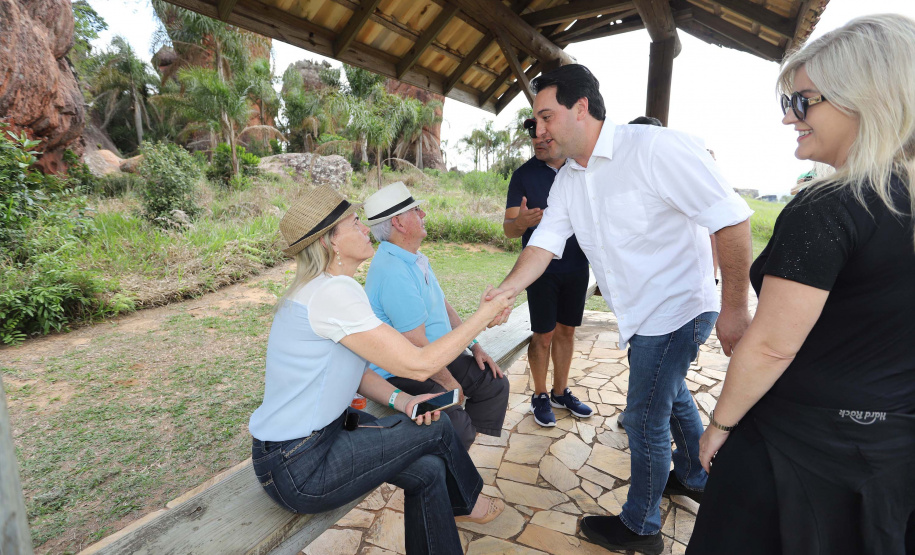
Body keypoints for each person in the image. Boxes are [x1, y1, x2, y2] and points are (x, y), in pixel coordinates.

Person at [487, 64, 754, 555]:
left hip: (676, 309)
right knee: (667, 397)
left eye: (546, 117)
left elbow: (731, 219)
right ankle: (695, 474)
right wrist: (504, 292)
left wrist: (735, 308)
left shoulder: (656, 148)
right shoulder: (569, 178)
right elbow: (544, 244)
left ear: (581, 108)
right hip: (639, 314)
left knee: (643, 418)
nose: (538, 131)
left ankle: (641, 525)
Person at [689, 14, 915, 554]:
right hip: (891, 454)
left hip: (794, 452)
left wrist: (720, 425)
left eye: (803, 101)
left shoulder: (831, 207)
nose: (791, 119)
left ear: (865, 99)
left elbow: (770, 346)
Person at [248, 186, 511, 555]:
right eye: (355, 222)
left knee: (431, 470)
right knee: (439, 427)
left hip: (306, 448)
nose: (367, 228)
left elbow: (353, 370)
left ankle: (457, 508)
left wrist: (402, 401)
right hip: (301, 465)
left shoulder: (324, 289)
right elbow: (418, 363)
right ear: (330, 242)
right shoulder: (332, 294)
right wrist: (483, 317)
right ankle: (468, 501)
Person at [363, 182, 510, 450]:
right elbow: (416, 344)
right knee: (455, 423)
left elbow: (443, 305)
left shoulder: (414, 257)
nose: (424, 215)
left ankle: (457, 454)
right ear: (398, 222)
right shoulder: (393, 270)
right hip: (400, 371)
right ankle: (452, 453)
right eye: (416, 210)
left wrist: (475, 346)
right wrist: (451, 384)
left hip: (435, 356)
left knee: (493, 383)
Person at [503, 118, 593, 427]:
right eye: (533, 135)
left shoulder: (581, 168)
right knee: (543, 334)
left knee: (567, 331)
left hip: (578, 266)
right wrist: (522, 222)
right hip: (540, 272)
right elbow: (509, 230)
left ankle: (559, 392)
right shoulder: (523, 176)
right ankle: (540, 395)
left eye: (544, 134)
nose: (538, 139)